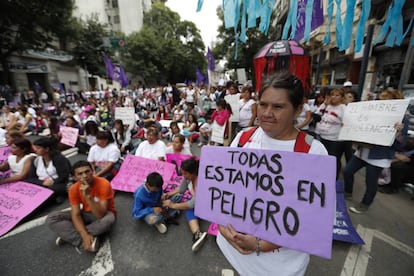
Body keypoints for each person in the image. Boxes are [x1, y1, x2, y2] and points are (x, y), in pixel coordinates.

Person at [216, 71, 328, 275]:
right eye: (263, 104)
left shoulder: (314, 151)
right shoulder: (243, 138)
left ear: (298, 110)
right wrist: (223, 228)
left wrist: (261, 245)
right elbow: (224, 190)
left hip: (281, 265)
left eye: (278, 106)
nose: (266, 113)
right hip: (235, 251)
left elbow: (312, 219)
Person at [344, 89, 407, 214]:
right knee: (347, 171)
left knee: (371, 182)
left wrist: (398, 132)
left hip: (379, 156)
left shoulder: (402, 120)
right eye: (381, 100)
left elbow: (401, 144)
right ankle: (347, 192)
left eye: (386, 100)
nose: (383, 103)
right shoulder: (375, 113)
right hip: (364, 151)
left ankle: (365, 204)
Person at [46, 161, 116, 253]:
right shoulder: (73, 189)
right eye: (80, 174)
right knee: (52, 218)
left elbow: (100, 215)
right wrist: (84, 235)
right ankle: (84, 238)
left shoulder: (104, 183)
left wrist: (88, 196)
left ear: (93, 171)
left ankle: (69, 235)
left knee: (107, 221)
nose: (85, 176)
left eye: (87, 171)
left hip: (103, 214)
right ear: (75, 177)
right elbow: (76, 214)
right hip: (86, 214)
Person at [162, 157, 208, 252]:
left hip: (207, 203)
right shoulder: (187, 177)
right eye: (182, 173)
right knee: (182, 203)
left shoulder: (202, 182)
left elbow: (191, 204)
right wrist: (168, 194)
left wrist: (173, 205)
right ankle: (197, 234)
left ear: (194, 172)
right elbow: (181, 189)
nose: (183, 176)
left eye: (185, 173)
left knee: (188, 208)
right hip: (197, 200)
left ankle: (197, 233)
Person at [25, 137, 72, 202]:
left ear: (46, 149)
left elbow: (64, 176)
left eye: (38, 148)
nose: (35, 150)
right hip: (43, 184)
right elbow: (31, 177)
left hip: (58, 183)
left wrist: (53, 182)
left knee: (52, 188)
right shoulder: (36, 160)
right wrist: (42, 182)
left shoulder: (59, 159)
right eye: (35, 148)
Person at [315, 88, 347, 179]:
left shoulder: (343, 108)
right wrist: (324, 104)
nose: (334, 97)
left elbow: (347, 122)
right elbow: (317, 115)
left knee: (334, 160)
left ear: (342, 97)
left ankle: (334, 179)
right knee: (325, 158)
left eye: (337, 95)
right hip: (323, 136)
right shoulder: (327, 106)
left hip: (335, 139)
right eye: (333, 95)